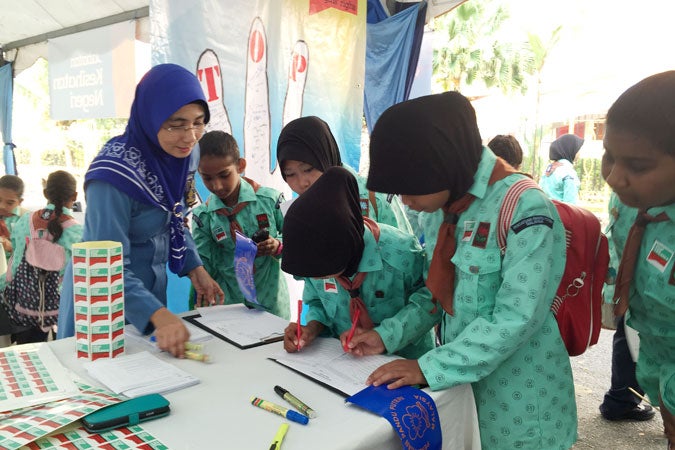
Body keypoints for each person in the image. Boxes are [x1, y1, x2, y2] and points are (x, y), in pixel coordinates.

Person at [363, 91, 577, 449]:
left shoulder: (523, 207)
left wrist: (427, 368)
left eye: (409, 188)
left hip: (519, 408)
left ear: (442, 163)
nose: (405, 201)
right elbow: (436, 296)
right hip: (461, 396)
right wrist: (386, 336)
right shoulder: (442, 211)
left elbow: (515, 318)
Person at [56, 63, 224, 358]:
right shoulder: (112, 177)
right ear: (150, 117)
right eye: (176, 123)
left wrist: (194, 268)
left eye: (199, 122)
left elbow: (174, 216)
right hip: (101, 303)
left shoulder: (185, 155)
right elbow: (104, 266)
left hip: (148, 296)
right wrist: (157, 314)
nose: (190, 136)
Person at [280, 166, 438, 359]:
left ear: (345, 249)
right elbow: (316, 302)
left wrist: (384, 336)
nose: (318, 278)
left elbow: (430, 301)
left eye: (326, 274)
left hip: (407, 362)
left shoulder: (401, 254)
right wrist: (311, 328)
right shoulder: (314, 260)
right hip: (348, 364)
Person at [600, 70, 675, 447]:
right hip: (653, 342)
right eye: (609, 158)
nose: (614, 177)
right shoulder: (628, 205)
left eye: (637, 166)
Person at [192, 130, 289, 319]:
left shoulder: (272, 200)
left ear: (240, 166)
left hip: (271, 303)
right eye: (207, 178)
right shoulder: (202, 218)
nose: (217, 186)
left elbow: (301, 243)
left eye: (224, 175)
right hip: (229, 306)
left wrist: (277, 245)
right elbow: (202, 265)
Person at [276, 115, 412, 234]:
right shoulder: (296, 211)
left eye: (308, 169)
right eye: (290, 174)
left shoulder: (375, 197)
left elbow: (407, 251)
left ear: (326, 157)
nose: (302, 183)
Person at [4, 170, 84, 344]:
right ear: (74, 196)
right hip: (63, 307)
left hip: (27, 304)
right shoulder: (77, 231)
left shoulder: (25, 220)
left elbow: (15, 263)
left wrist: (5, 285)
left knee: (27, 354)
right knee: (64, 351)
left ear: (45, 193)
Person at [598, 192, 655, 422]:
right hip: (646, 280)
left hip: (632, 278)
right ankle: (622, 399)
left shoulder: (628, 182)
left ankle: (620, 399)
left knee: (629, 333)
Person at [0, 174, 28, 347]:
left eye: (9, 202)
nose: (2, 206)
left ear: (20, 201)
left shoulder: (27, 220)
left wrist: (12, 247)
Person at [540, 133, 584, 204]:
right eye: (578, 149)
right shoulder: (568, 172)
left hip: (546, 212)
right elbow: (570, 204)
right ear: (570, 149)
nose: (579, 153)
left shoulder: (549, 169)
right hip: (561, 213)